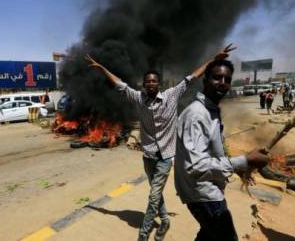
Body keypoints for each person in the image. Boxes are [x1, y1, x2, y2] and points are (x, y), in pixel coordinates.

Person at [85, 45, 235, 241]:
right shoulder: (139, 98)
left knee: (154, 195)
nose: (150, 84)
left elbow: (193, 77)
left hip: (165, 156)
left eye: (154, 81)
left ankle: (144, 234)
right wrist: (101, 68)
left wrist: (214, 59)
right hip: (148, 155)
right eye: (147, 81)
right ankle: (164, 219)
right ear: (144, 84)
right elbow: (120, 84)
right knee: (155, 194)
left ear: (159, 84)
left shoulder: (172, 95)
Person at [174, 58, 269, 241]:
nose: (223, 83)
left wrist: (240, 167)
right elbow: (195, 165)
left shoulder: (211, 111)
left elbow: (213, 153)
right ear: (205, 80)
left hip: (208, 187)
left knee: (208, 236)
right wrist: (245, 161)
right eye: (217, 78)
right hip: (202, 193)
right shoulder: (197, 115)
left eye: (227, 79)